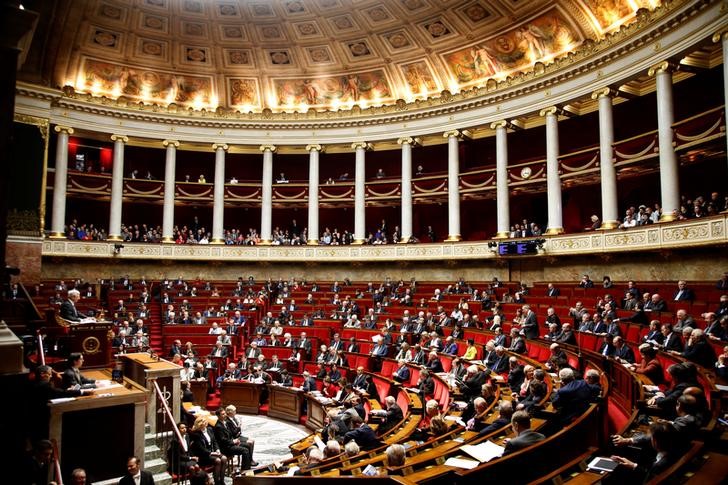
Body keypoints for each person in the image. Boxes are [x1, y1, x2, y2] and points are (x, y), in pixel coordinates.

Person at [189, 416, 227, 485]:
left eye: (205, 421)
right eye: (203, 421)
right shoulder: (196, 434)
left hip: (212, 452)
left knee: (224, 458)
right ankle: (217, 482)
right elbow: (201, 449)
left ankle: (222, 480)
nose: (206, 422)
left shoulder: (209, 429)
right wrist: (212, 453)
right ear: (200, 424)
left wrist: (217, 449)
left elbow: (214, 441)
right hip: (203, 455)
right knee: (218, 460)